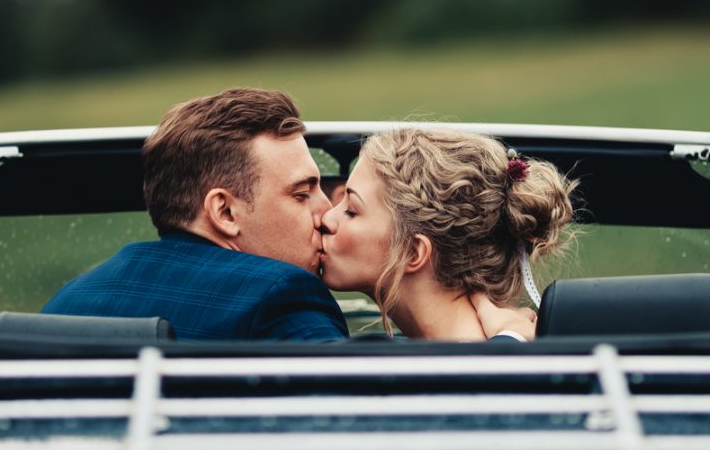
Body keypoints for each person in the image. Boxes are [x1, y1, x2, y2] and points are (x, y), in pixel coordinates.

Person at [43, 88, 349, 342]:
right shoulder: (281, 298)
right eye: (300, 194)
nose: (325, 213)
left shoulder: (65, 303)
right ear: (225, 212)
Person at [320, 127, 576, 341]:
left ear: (412, 252)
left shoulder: (488, 365)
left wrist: (509, 343)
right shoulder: (489, 349)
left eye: (351, 210)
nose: (326, 218)